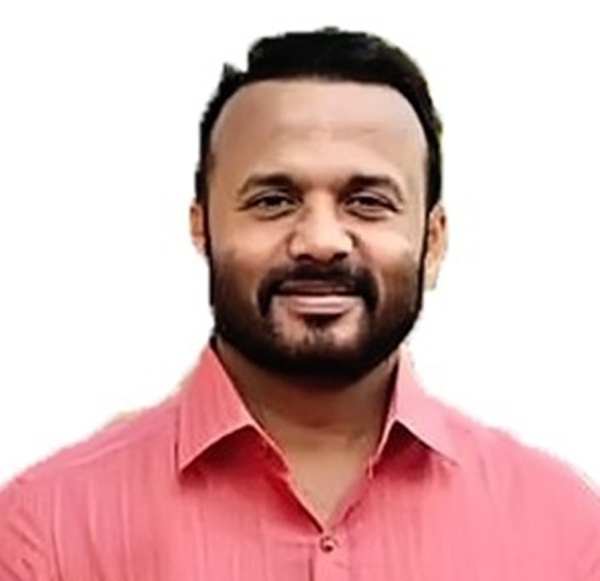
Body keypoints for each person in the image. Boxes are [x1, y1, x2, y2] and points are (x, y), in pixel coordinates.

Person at [0, 27, 599, 581]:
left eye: (367, 201)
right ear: (202, 226)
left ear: (433, 240)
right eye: (273, 200)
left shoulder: (563, 527)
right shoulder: (49, 529)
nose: (320, 241)